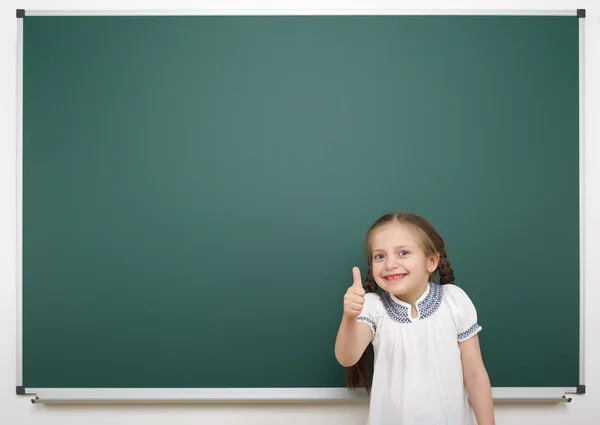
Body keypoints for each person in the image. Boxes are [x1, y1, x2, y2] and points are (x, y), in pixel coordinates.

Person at [334, 212, 495, 425]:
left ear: (431, 261)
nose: (390, 264)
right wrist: (349, 317)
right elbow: (347, 358)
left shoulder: (454, 301)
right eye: (380, 256)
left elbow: (475, 375)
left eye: (403, 253)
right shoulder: (373, 307)